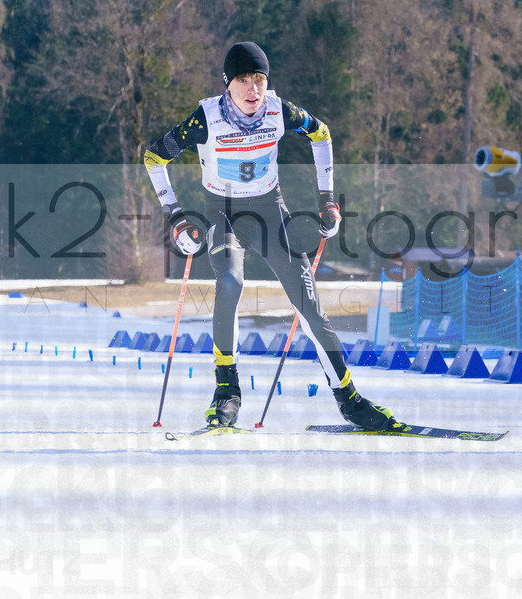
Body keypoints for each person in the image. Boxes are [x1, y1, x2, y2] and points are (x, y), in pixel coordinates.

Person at [144, 41, 397, 430]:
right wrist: (175, 217)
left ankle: (348, 398)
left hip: (269, 214)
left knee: (308, 303)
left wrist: (328, 200)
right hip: (223, 215)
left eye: (259, 79)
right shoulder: (206, 119)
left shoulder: (280, 111)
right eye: (244, 79)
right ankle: (226, 391)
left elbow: (322, 134)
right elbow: (153, 157)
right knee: (229, 281)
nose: (253, 89)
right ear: (228, 83)